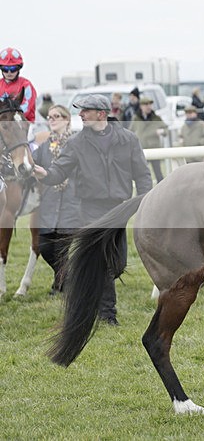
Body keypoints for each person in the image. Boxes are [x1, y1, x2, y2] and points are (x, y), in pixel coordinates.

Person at [32, 94, 153, 325]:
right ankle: (107, 315)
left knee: (117, 265)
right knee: (102, 261)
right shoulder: (76, 143)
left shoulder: (128, 139)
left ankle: (87, 287)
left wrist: (144, 201)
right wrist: (45, 174)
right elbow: (60, 171)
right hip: (90, 208)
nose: (80, 115)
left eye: (85, 111)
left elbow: (142, 174)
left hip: (120, 207)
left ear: (101, 113)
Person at [32, 104, 82, 295]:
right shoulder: (45, 147)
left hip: (72, 202)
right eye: (50, 116)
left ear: (66, 119)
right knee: (45, 247)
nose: (51, 119)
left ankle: (61, 286)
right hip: (50, 204)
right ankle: (66, 280)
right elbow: (31, 162)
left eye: (56, 116)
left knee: (62, 248)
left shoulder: (78, 143)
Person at [130, 96, 168, 183]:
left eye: (150, 104)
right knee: (142, 174)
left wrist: (162, 131)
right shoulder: (136, 118)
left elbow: (166, 130)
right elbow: (130, 132)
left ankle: (160, 192)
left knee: (158, 174)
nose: (148, 106)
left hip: (154, 149)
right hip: (141, 150)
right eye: (146, 104)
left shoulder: (156, 118)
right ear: (141, 106)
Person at [0, 47, 38, 122]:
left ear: (19, 68)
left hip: (25, 125)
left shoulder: (26, 85)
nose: (9, 72)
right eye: (5, 69)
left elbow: (26, 109)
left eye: (13, 69)